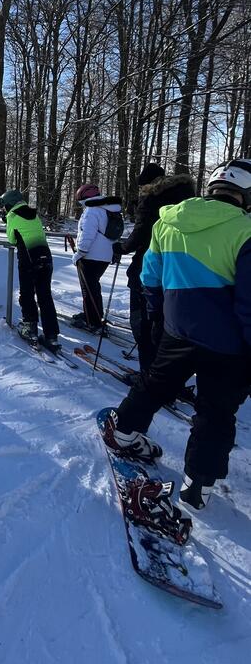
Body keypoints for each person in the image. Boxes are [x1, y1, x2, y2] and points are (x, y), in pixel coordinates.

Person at [103, 159, 251, 512]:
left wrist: (158, 312)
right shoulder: (245, 231)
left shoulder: (168, 220)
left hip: (177, 329)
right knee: (216, 411)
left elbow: (150, 275)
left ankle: (123, 430)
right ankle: (197, 484)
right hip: (227, 344)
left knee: (155, 381)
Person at [113, 164, 195, 374]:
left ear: (147, 184)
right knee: (169, 326)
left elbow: (141, 232)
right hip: (182, 269)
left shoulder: (151, 198)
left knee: (143, 324)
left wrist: (122, 248)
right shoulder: (189, 199)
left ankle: (149, 377)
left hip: (150, 267)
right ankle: (169, 377)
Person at [0, 189, 59, 349]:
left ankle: (29, 327)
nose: (3, 209)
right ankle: (52, 335)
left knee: (27, 293)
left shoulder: (12, 215)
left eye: (4, 205)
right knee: (45, 296)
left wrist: (7, 222)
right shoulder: (34, 214)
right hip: (46, 258)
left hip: (29, 260)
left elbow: (12, 239)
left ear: (9, 204)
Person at [71, 183, 124, 333]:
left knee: (88, 288)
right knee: (93, 286)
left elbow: (87, 234)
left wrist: (79, 253)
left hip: (90, 255)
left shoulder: (92, 210)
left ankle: (92, 321)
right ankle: (94, 314)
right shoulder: (110, 209)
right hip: (106, 255)